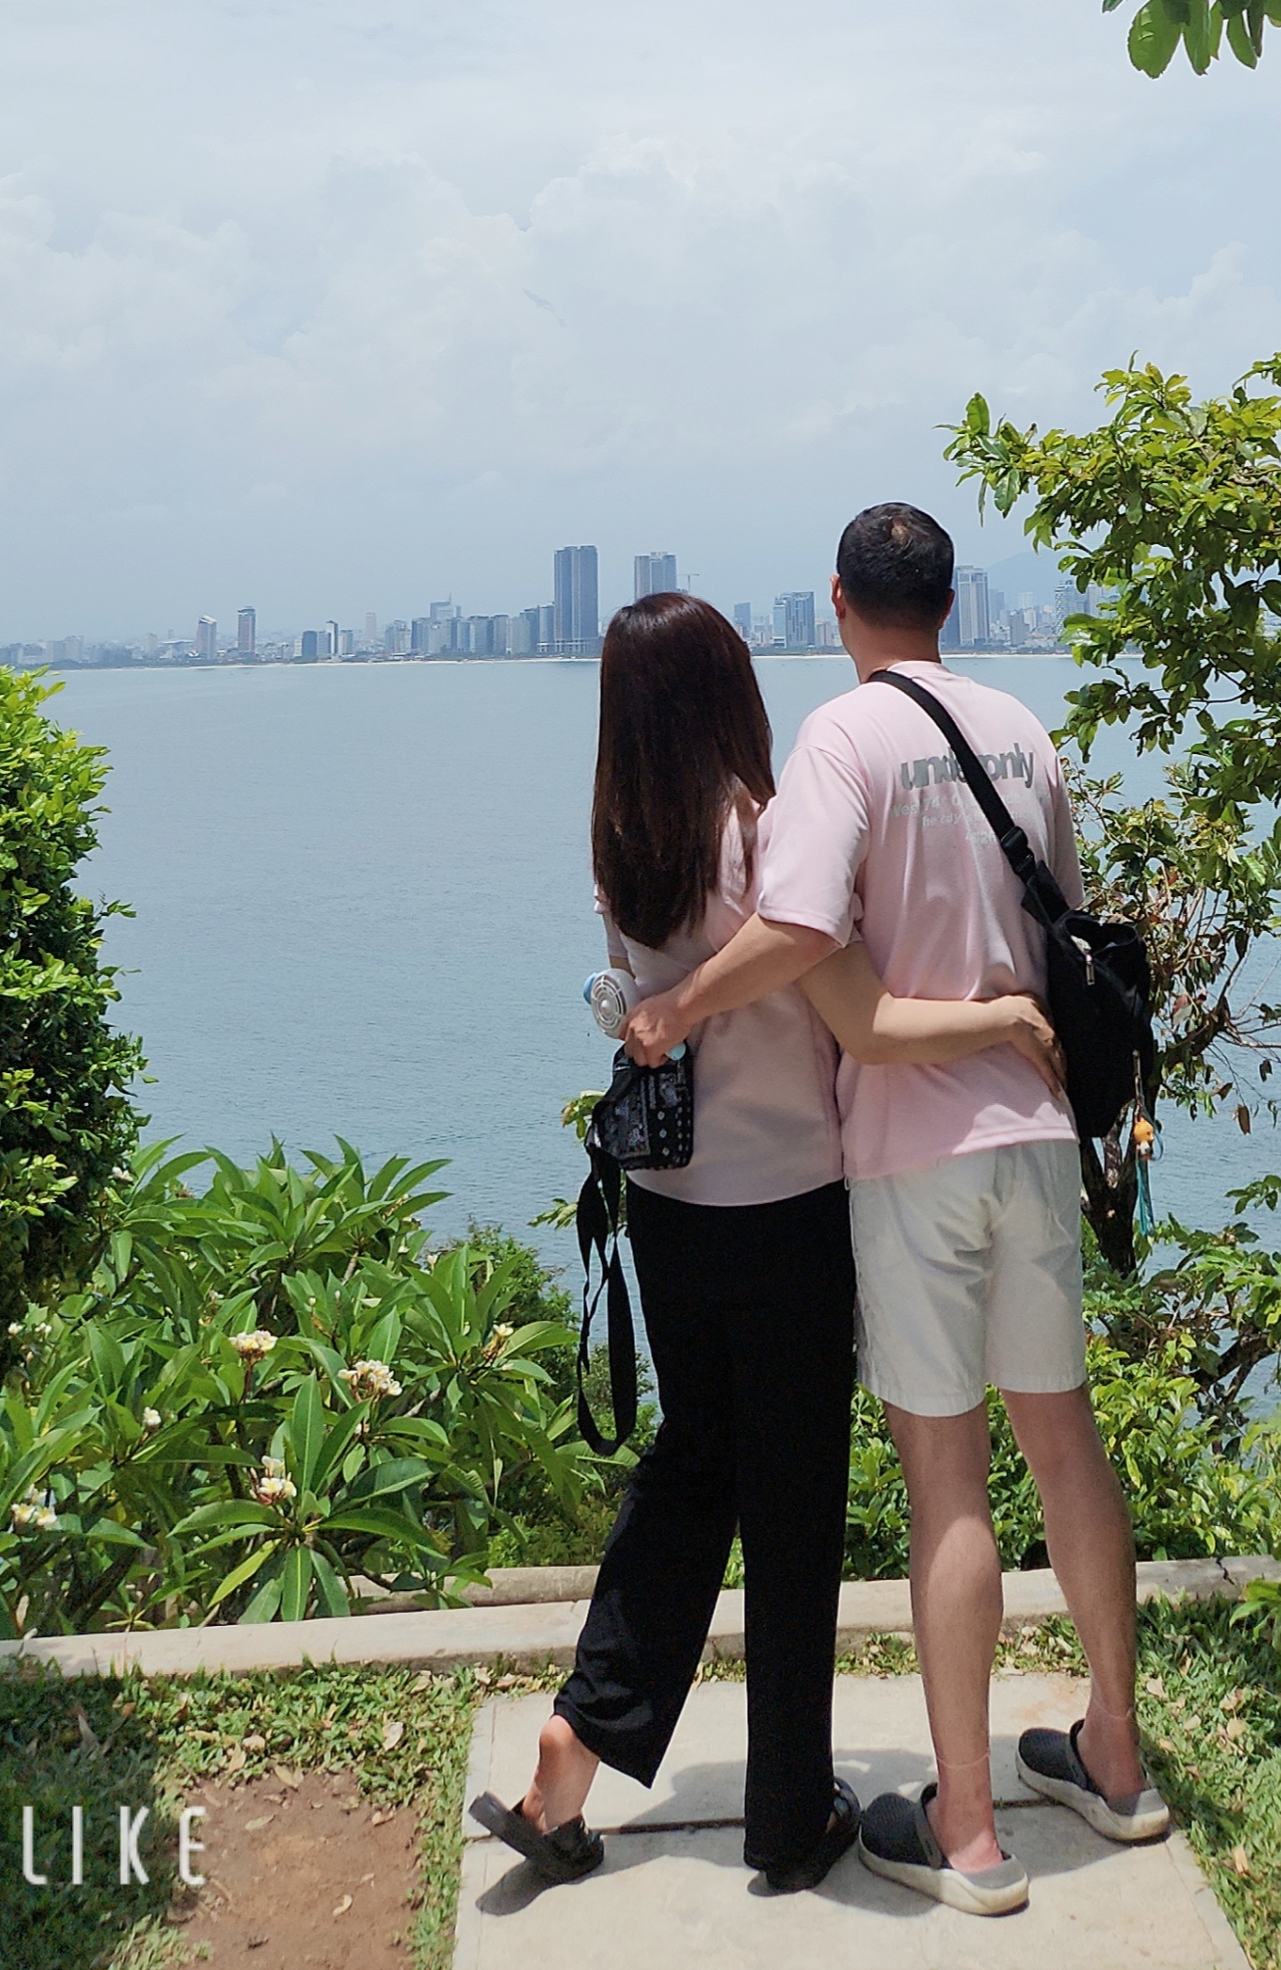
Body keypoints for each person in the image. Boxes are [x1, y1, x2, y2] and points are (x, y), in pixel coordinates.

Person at [473, 589, 1067, 1900]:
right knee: (793, 1509)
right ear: (724, 692)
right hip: (787, 1203)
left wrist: (673, 1004)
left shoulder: (621, 841)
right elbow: (821, 971)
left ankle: (582, 1732)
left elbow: (657, 995)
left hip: (671, 1205)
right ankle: (789, 1813)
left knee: (694, 1465)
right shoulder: (761, 825)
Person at [625, 506, 1170, 1919]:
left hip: (911, 1153)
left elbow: (804, 935)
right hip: (1034, 1130)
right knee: (1065, 1440)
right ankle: (1114, 1755)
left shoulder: (840, 740)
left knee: (948, 1483)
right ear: (950, 598)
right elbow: (1057, 929)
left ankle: (968, 1830)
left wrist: (677, 1005)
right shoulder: (1023, 733)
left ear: (836, 602)